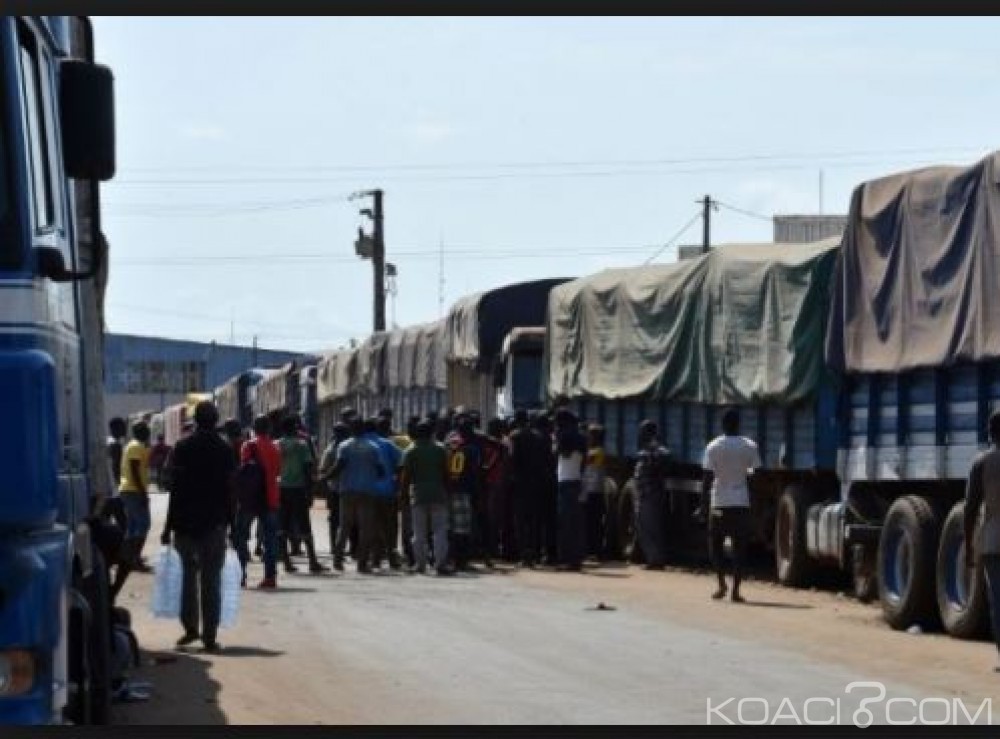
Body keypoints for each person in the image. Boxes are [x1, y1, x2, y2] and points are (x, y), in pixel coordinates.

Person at [160, 401, 236, 653]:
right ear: (216, 421)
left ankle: (190, 629)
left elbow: (175, 489)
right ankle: (210, 635)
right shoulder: (225, 449)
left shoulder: (182, 447)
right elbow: (230, 490)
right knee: (211, 579)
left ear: (196, 420)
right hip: (214, 523)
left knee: (188, 578)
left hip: (185, 523)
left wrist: (167, 526)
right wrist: (232, 524)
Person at [701, 408, 761, 602]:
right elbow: (754, 476)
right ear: (738, 424)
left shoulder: (713, 447)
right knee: (739, 548)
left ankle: (721, 584)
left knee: (715, 546)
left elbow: (707, 479)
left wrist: (703, 506)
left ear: (723, 424)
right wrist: (754, 504)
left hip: (719, 502)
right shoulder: (750, 446)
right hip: (741, 503)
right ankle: (736, 590)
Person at [965, 409, 1000, 669]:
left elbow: (970, 508)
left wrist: (968, 545)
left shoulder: (982, 463)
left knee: (997, 600)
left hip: (992, 542)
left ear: (990, 433)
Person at [326, 418, 384, 573]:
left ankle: (338, 561)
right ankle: (362, 563)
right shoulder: (373, 447)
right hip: (367, 491)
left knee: (344, 526)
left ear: (351, 430)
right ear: (364, 430)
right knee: (365, 528)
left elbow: (339, 466)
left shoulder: (344, 446)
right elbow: (380, 470)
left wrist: (325, 477)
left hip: (347, 491)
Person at [400, 419, 452, 575]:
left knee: (419, 532)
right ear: (432, 433)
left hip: (418, 495)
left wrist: (402, 494)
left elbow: (406, 476)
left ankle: (420, 564)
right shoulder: (441, 449)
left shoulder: (410, 450)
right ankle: (440, 564)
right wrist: (448, 492)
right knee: (440, 531)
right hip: (438, 494)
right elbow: (446, 474)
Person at [277, 416, 326, 574]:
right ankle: (312, 561)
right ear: (294, 428)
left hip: (281, 488)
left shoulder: (276, 445)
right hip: (297, 489)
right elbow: (307, 468)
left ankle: (286, 562)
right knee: (304, 524)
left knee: (282, 526)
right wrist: (310, 491)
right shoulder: (302, 444)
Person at [238, 415, 282, 589]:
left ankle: (241, 575)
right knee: (270, 539)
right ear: (269, 429)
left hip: (250, 498)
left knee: (241, 536)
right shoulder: (275, 447)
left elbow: (245, 469)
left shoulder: (248, 445)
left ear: (254, 428)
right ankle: (270, 577)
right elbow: (278, 471)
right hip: (270, 497)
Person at [445, 413, 483, 571]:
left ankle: (450, 558)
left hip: (448, 489)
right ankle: (462, 561)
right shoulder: (472, 449)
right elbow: (475, 471)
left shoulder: (448, 444)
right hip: (463, 490)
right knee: (463, 528)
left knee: (449, 527)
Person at [634, 420, 673, 571]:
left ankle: (655, 560)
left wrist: (651, 456)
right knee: (644, 526)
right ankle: (653, 558)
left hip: (651, 493)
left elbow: (665, 456)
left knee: (651, 527)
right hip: (646, 492)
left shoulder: (654, 448)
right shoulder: (646, 448)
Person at [367, 417, 404, 570]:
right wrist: (397, 479)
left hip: (368, 492)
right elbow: (403, 460)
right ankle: (392, 558)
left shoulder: (362, 443)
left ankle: (375, 558)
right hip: (388, 491)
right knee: (390, 527)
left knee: (373, 526)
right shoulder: (387, 444)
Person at [119, 420, 153, 577]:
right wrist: (142, 492)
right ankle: (134, 559)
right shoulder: (135, 447)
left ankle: (128, 558)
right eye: (146, 430)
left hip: (130, 490)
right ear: (141, 432)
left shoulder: (136, 446)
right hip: (133, 490)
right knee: (143, 524)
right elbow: (134, 470)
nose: (148, 432)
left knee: (132, 527)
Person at [555, 409, 587, 571]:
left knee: (566, 523)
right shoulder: (581, 437)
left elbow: (562, 453)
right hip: (576, 480)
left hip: (566, 482)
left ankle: (568, 560)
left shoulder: (565, 436)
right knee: (576, 523)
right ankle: (576, 558)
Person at [508, 409, 540, 566]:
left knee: (520, 521)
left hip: (520, 483)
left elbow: (511, 459)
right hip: (534, 482)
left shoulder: (514, 437)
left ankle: (523, 556)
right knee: (532, 521)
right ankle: (533, 553)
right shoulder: (536, 436)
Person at [318, 422, 351, 558]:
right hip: (348, 488)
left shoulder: (331, 449)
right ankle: (348, 547)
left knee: (334, 520)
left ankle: (335, 546)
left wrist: (324, 478)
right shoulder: (348, 446)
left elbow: (323, 469)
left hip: (334, 489)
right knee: (348, 520)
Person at [582, 424, 608, 560]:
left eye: (590, 435)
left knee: (594, 523)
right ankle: (592, 549)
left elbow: (585, 459)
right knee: (591, 523)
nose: (588, 438)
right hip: (590, 491)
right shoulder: (594, 451)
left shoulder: (598, 452)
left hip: (594, 491)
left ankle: (596, 550)